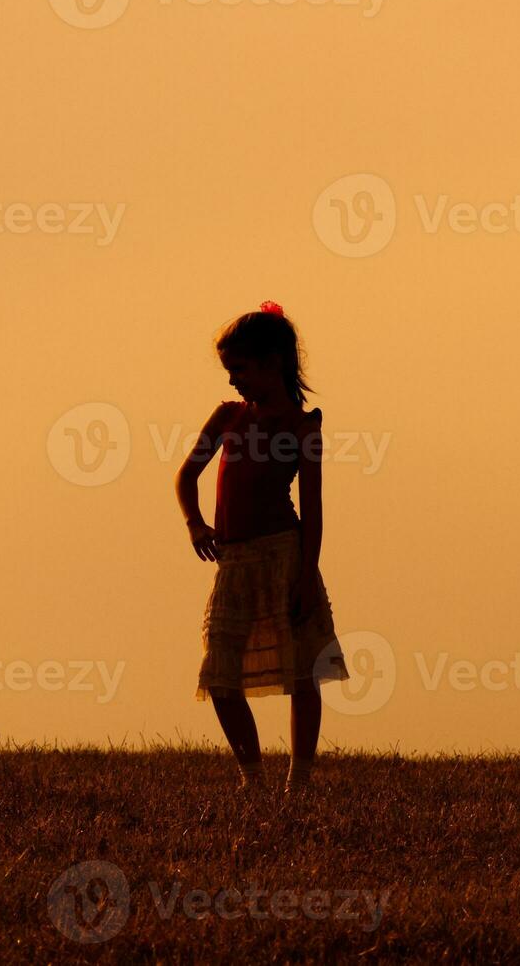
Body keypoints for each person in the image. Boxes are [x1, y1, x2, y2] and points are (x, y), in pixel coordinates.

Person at [175, 302, 349, 792]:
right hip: (234, 560)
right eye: (230, 371)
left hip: (284, 555)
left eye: (241, 369)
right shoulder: (227, 418)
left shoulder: (300, 428)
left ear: (273, 363)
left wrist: (305, 575)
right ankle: (252, 777)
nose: (234, 380)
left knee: (301, 672)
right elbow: (187, 475)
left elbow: (312, 510)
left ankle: (299, 781)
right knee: (221, 674)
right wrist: (194, 524)